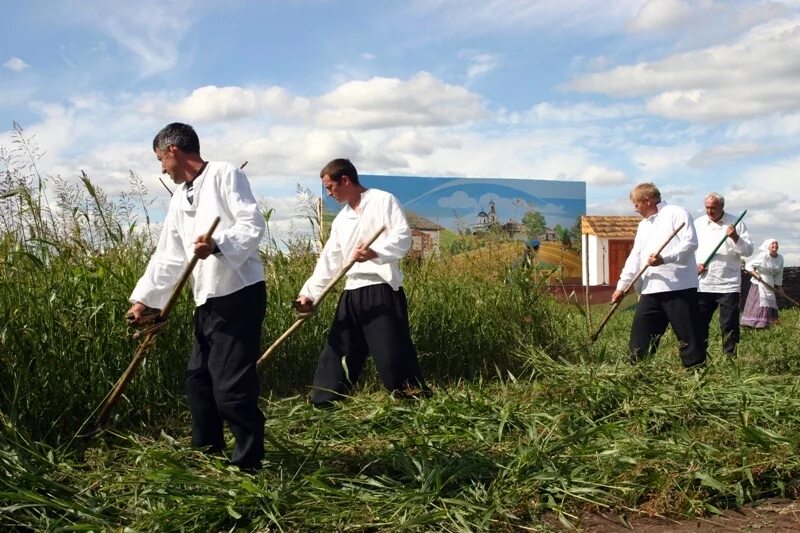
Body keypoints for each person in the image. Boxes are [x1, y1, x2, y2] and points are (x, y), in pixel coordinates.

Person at [127, 123, 267, 470]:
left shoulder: (224, 173)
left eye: (161, 159)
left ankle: (248, 463)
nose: (162, 168)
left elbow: (251, 223)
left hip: (238, 292)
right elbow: (169, 255)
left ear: (173, 150)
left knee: (230, 387)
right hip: (207, 299)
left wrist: (219, 244)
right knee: (198, 381)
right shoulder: (180, 198)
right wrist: (146, 300)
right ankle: (208, 451)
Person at [294, 158, 428, 406]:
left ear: (345, 180)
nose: (328, 193)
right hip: (352, 291)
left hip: (381, 289)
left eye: (330, 187)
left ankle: (413, 399)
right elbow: (329, 262)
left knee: (391, 351)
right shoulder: (341, 220)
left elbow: (403, 238)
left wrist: (373, 252)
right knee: (339, 348)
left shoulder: (382, 201)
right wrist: (308, 295)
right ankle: (324, 402)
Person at [610, 183, 706, 368]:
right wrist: (622, 286)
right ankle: (637, 372)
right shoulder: (643, 225)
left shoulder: (676, 213)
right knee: (641, 336)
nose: (634, 208)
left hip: (679, 288)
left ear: (648, 201)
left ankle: (697, 375)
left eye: (636, 204)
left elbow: (691, 243)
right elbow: (635, 257)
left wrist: (665, 258)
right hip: (651, 289)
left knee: (689, 337)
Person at [694, 193, 753, 357]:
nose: (709, 211)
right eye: (707, 207)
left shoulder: (736, 223)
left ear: (722, 207)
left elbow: (748, 251)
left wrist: (735, 236)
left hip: (728, 284)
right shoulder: (698, 223)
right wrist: (695, 266)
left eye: (713, 207)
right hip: (703, 283)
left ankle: (730, 359)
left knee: (729, 324)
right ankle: (699, 359)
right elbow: (689, 249)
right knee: (699, 323)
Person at [741, 239, 784, 329]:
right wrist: (756, 275)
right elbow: (749, 266)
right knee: (759, 302)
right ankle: (752, 324)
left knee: (769, 302)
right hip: (759, 282)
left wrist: (780, 289)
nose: (775, 245)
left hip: (770, 283)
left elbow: (779, 275)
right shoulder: (763, 256)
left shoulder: (780, 258)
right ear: (768, 246)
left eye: (776, 244)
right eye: (773, 244)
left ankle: (767, 324)